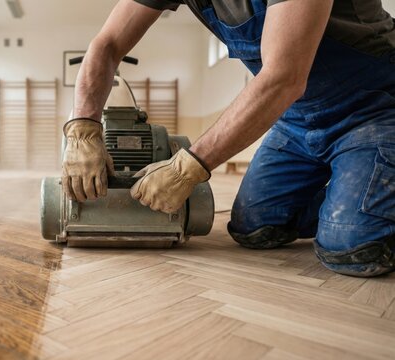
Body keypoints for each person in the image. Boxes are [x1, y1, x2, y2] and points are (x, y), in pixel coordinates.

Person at [61, 0, 395, 277]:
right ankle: (360, 189)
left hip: (377, 107)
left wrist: (185, 169)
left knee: (352, 248)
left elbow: (284, 77)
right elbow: (106, 45)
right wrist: (82, 129)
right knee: (255, 229)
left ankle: (361, 203)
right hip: (297, 117)